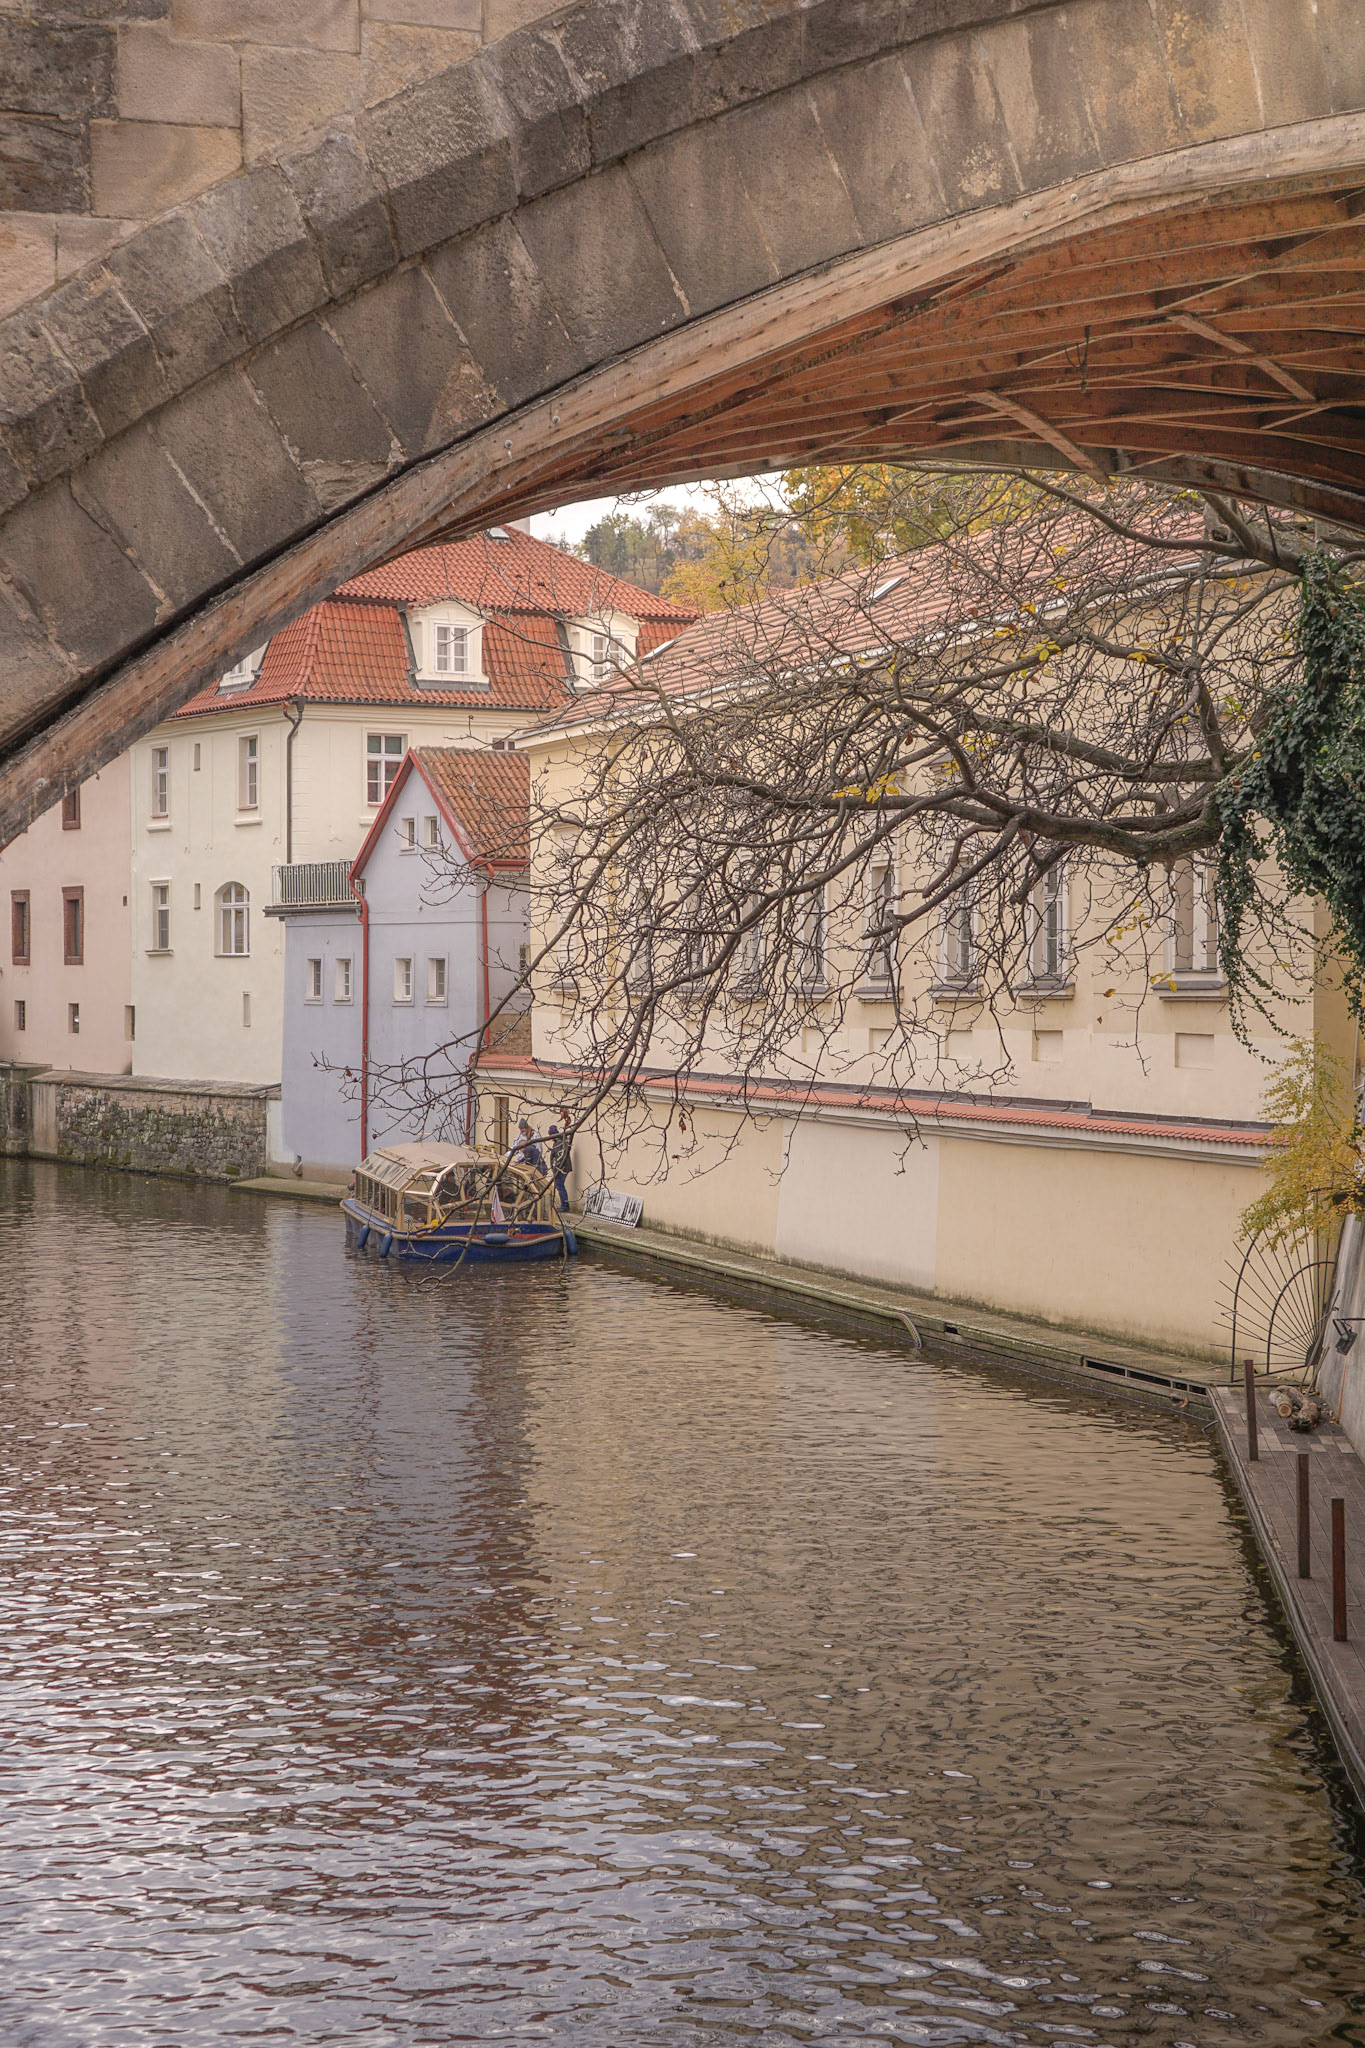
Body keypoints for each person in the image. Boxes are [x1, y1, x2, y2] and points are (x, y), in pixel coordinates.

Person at [548, 1121, 572, 1212]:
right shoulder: (562, 1142)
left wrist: (557, 1169)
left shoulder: (559, 1144)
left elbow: (559, 1157)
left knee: (560, 1186)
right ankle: (565, 1205)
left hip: (561, 1169)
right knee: (560, 1186)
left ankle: (565, 1205)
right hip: (562, 1168)